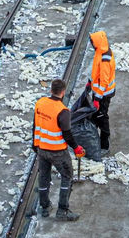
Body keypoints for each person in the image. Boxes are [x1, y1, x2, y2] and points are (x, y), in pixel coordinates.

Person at [33, 78, 85, 221]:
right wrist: (76, 147)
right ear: (63, 92)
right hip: (57, 151)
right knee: (67, 177)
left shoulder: (40, 103)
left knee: (43, 177)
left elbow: (35, 125)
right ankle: (62, 211)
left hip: (42, 148)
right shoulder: (63, 111)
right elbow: (67, 133)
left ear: (51, 90)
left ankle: (45, 207)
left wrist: (35, 145)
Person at [88, 30, 116, 153]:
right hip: (100, 92)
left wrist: (97, 99)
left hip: (103, 94)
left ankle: (105, 145)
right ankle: (95, 139)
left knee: (101, 116)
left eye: (93, 42)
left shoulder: (105, 59)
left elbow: (104, 82)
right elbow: (96, 71)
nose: (91, 44)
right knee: (96, 116)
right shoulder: (100, 51)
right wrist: (90, 82)